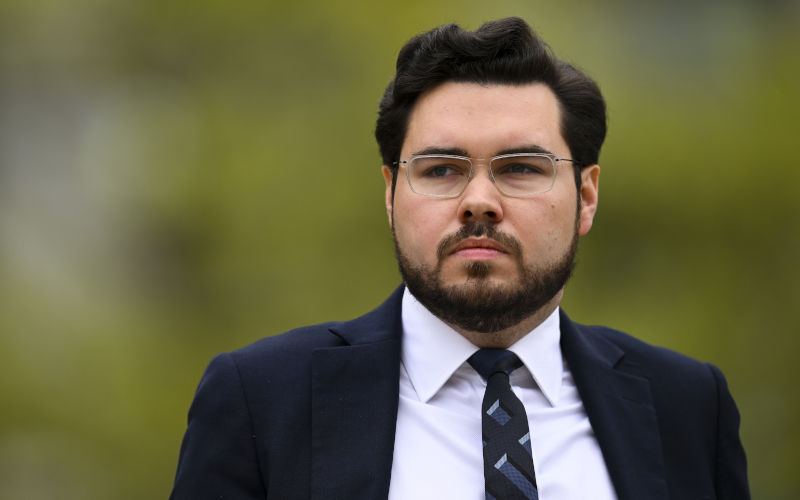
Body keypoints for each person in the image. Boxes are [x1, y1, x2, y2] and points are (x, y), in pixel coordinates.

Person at [170, 17, 749, 500]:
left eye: (521, 168)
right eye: (441, 169)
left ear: (587, 197)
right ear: (391, 196)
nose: (478, 202)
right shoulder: (261, 400)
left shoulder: (688, 406)